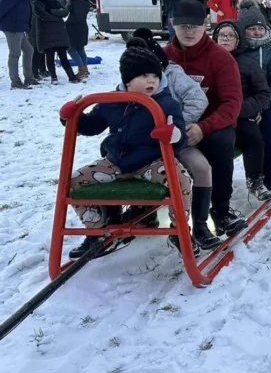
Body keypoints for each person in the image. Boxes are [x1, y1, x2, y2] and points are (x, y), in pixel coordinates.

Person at [60, 44, 193, 258]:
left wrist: (173, 135)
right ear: (128, 80)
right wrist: (73, 118)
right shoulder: (112, 102)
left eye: (155, 75)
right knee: (73, 180)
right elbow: (93, 125)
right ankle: (96, 229)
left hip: (153, 162)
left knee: (181, 180)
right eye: (143, 75)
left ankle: (180, 230)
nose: (151, 80)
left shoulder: (166, 103)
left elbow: (180, 138)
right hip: (117, 162)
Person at [126, 32, 220, 251]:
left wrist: (177, 126)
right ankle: (133, 214)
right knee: (120, 165)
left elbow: (198, 99)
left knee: (201, 167)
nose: (148, 80)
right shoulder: (128, 83)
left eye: (152, 73)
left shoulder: (173, 74)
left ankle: (199, 224)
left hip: (173, 141)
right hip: (142, 148)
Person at [165, 0, 247, 237]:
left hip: (212, 125)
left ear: (205, 25)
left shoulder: (221, 58)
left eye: (195, 26)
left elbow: (232, 103)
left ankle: (220, 211)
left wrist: (203, 128)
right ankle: (140, 211)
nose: (189, 31)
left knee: (220, 144)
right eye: (183, 26)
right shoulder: (163, 56)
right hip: (171, 125)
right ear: (173, 24)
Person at [213, 20, 271, 202]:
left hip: (241, 113)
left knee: (253, 136)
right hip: (213, 115)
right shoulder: (208, 59)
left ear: (238, 40)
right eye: (222, 35)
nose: (225, 39)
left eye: (230, 36)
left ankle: (255, 180)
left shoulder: (247, 63)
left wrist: (241, 110)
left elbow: (262, 93)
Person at [238, 0, 271, 193]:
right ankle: (253, 176)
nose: (257, 32)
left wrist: (261, 106)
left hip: (269, 104)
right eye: (251, 29)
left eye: (260, 28)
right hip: (242, 105)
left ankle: (270, 176)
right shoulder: (236, 51)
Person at [33, 0, 81, 85]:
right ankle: (54, 78)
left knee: (63, 56)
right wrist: (58, 17)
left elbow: (65, 11)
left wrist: (53, 12)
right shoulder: (37, 1)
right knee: (49, 57)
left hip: (59, 33)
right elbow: (43, 16)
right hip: (46, 33)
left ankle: (71, 76)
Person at [0, 0, 38, 89]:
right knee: (15, 53)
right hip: (12, 26)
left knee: (29, 50)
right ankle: (15, 81)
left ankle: (29, 78)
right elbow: (3, 7)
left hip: (19, 26)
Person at [65, 0, 92, 79]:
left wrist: (67, 23)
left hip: (75, 27)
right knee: (80, 48)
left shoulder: (77, 0)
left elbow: (78, 16)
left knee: (71, 49)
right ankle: (85, 68)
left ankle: (82, 69)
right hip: (82, 26)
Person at [29, 0, 50, 79]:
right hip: (34, 25)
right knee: (36, 49)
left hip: (39, 25)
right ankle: (35, 72)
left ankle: (41, 69)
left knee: (40, 49)